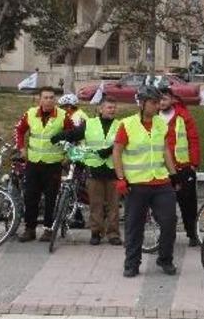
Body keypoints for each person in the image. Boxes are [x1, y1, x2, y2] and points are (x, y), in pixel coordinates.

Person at [113, 85, 179, 278]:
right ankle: (132, 263)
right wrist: (120, 178)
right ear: (141, 103)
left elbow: (165, 148)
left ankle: (165, 259)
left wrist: (173, 174)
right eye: (153, 102)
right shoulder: (127, 124)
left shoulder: (161, 124)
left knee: (169, 222)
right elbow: (117, 151)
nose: (158, 106)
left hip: (160, 182)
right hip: (136, 184)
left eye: (159, 102)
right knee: (134, 225)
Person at [54, 97, 123, 245]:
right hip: (94, 169)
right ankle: (96, 232)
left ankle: (113, 234)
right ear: (100, 109)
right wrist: (58, 136)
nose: (112, 110)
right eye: (109, 107)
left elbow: (123, 142)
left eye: (114, 107)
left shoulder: (120, 125)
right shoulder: (90, 124)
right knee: (95, 204)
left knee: (113, 205)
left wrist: (109, 150)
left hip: (113, 169)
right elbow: (74, 134)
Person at [14, 86, 75, 242]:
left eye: (51, 97)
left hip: (53, 164)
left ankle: (48, 229)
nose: (49, 100)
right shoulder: (30, 113)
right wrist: (21, 148)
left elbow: (73, 136)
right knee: (30, 197)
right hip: (33, 163)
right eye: (45, 97)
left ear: (55, 100)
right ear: (39, 99)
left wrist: (68, 154)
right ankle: (30, 229)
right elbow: (19, 130)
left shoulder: (63, 116)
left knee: (51, 198)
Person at [158, 85, 201, 247]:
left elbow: (194, 140)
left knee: (188, 205)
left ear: (172, 100)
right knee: (163, 207)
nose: (162, 102)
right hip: (161, 170)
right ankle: (166, 235)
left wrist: (194, 164)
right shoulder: (153, 118)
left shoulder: (184, 116)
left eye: (165, 99)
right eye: (159, 99)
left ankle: (192, 234)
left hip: (183, 168)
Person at [57, 92, 90, 229]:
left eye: (63, 107)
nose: (62, 110)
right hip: (83, 150)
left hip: (81, 151)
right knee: (74, 180)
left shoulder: (76, 117)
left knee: (67, 171)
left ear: (69, 107)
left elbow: (75, 137)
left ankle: (77, 212)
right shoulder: (81, 114)